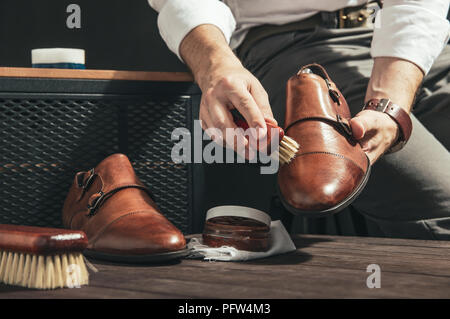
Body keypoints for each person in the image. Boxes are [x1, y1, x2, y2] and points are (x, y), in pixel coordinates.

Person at [148, 0, 450, 240]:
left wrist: (389, 101)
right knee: (443, 206)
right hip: (284, 45)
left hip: (409, 35)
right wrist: (215, 66)